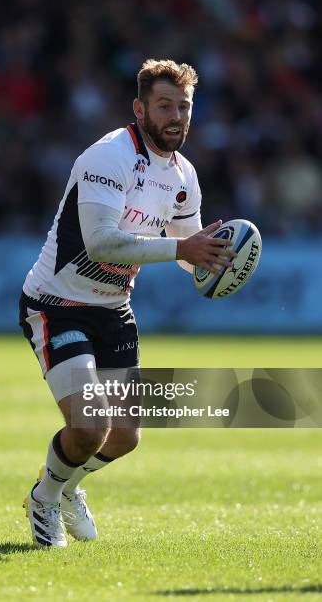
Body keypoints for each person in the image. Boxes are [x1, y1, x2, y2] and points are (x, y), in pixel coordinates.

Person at [19, 59, 235, 548]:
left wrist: (216, 259)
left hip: (114, 309)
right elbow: (102, 244)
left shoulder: (183, 175)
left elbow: (186, 248)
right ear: (140, 109)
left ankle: (67, 486)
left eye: (184, 106)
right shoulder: (109, 156)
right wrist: (184, 248)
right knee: (90, 425)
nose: (176, 116)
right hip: (58, 305)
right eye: (165, 106)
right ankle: (45, 497)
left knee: (125, 437)